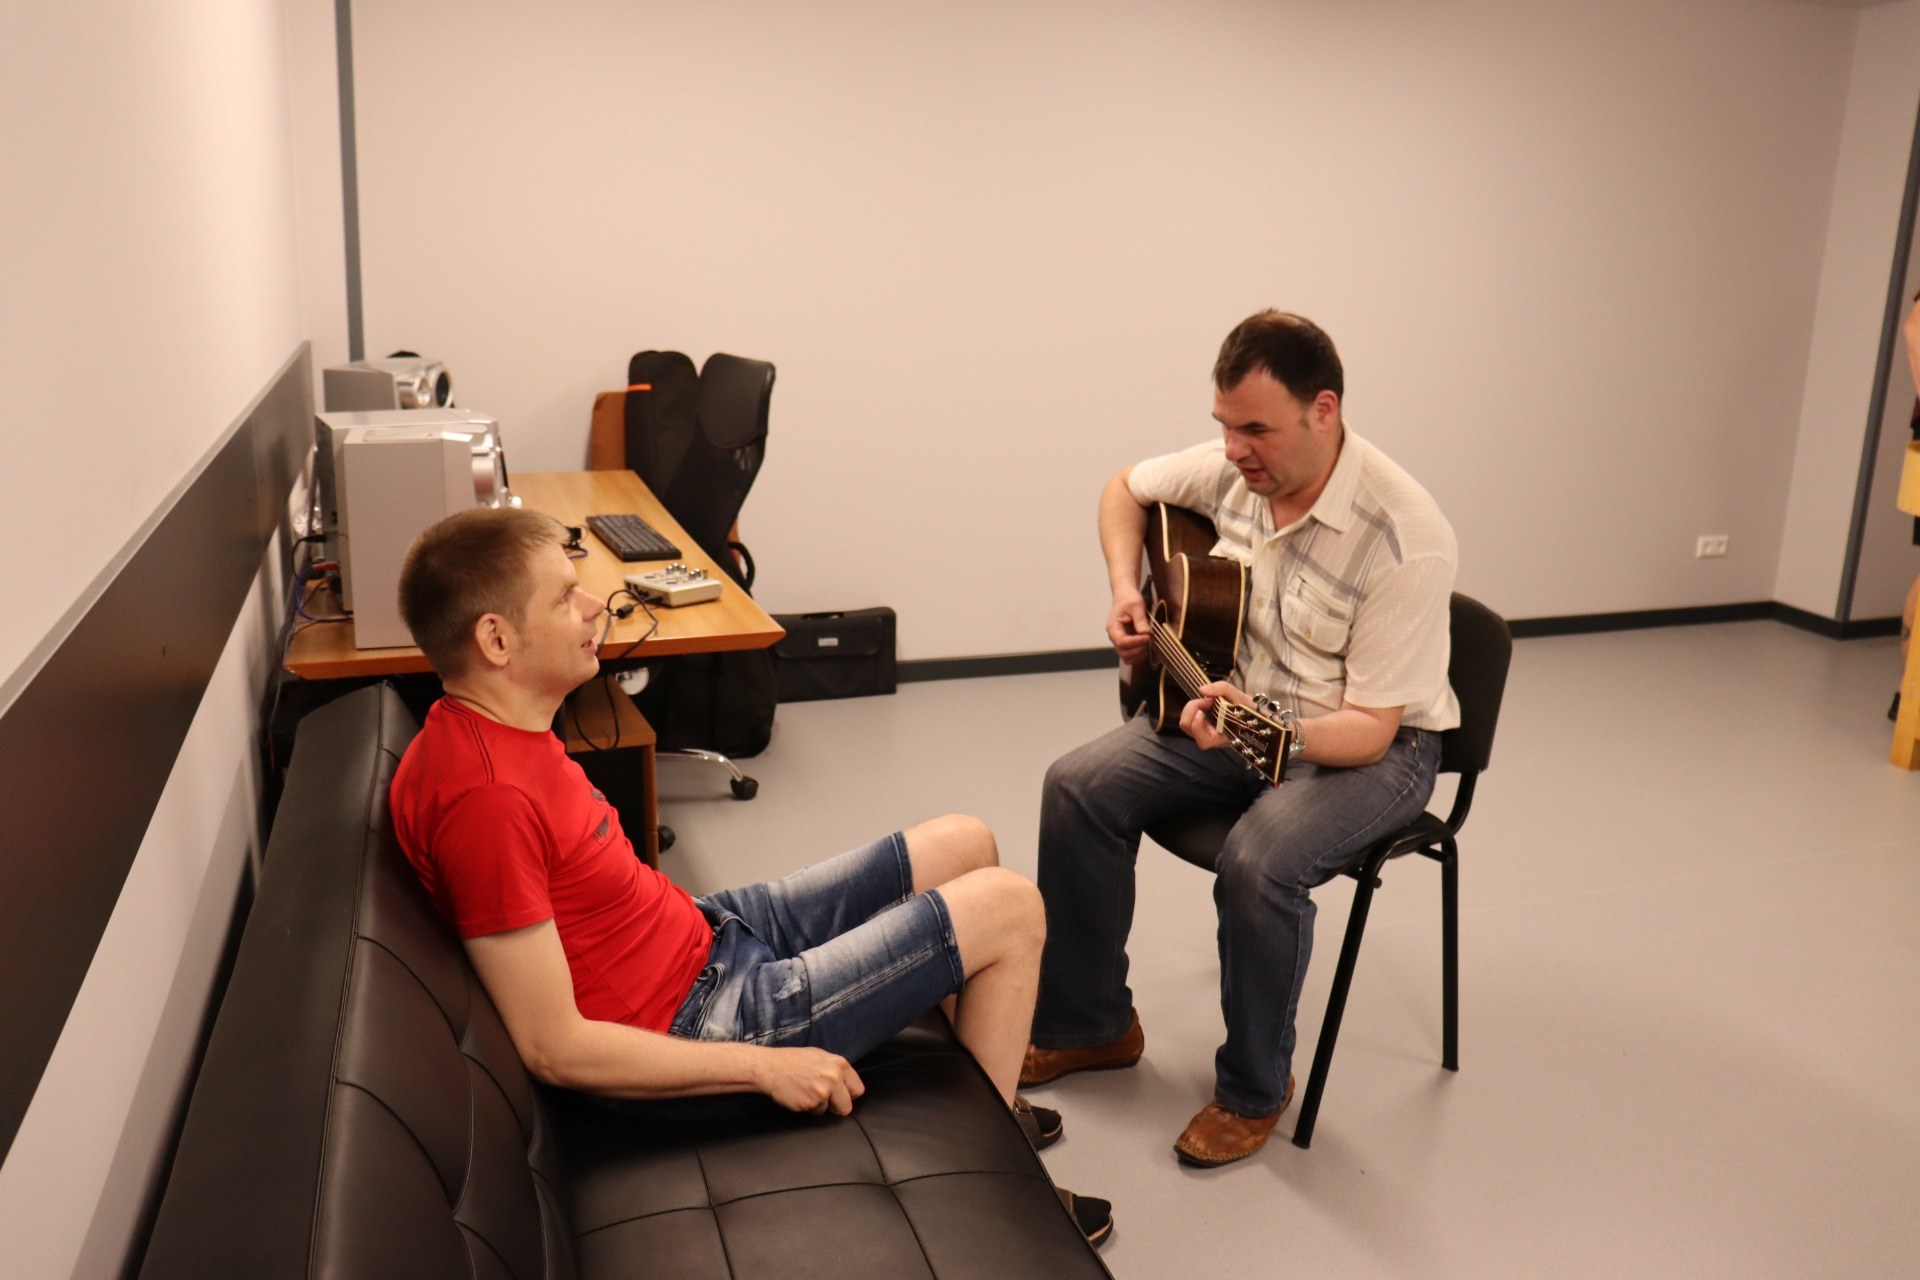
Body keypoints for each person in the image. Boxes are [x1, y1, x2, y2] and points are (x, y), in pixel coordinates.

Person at [386, 506, 1111, 1244]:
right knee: (1009, 908)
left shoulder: (500, 727)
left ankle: (987, 1103)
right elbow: (554, 1046)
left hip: (704, 935)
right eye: (565, 597)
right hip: (705, 1022)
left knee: (965, 842)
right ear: (496, 640)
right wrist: (765, 1068)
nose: (595, 605)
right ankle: (1001, 1193)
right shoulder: (487, 803)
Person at [1022, 310, 1459, 1166]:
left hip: (1374, 748)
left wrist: (1259, 730)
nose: (1233, 450)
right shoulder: (1236, 470)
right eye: (1224, 425)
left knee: (1258, 860)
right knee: (1075, 787)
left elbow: (1369, 731)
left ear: (1323, 411)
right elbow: (1123, 488)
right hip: (1238, 710)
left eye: (1255, 429)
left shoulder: (1405, 537)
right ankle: (1091, 1025)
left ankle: (1255, 1091)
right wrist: (1125, 588)